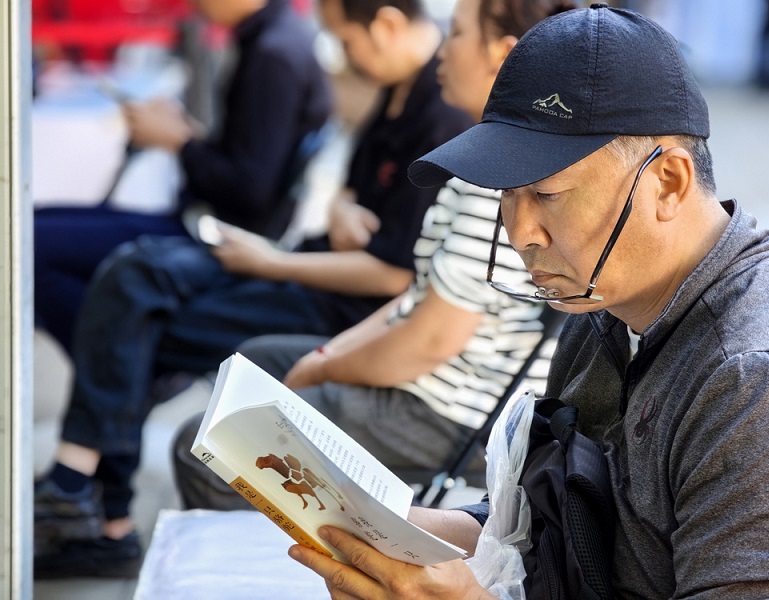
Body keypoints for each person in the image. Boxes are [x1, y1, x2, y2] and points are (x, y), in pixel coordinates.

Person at [286, 5, 769, 598]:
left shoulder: (758, 380)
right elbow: (550, 526)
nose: (521, 232)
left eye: (548, 194)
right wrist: (392, 531)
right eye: (507, 194)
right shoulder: (602, 306)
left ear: (668, 183)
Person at [32, 0, 473, 580]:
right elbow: (356, 201)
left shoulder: (435, 113)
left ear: (387, 26)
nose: (341, 59)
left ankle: (89, 500)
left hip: (324, 294)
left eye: (345, 42)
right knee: (127, 287)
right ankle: (92, 504)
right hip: (301, 263)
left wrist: (273, 261)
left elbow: (393, 272)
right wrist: (339, 210)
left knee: (130, 296)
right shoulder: (397, 90)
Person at [171, 0, 574, 512]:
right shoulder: (482, 154)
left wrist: (324, 368)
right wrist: (325, 359)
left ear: (502, 54)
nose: (440, 48)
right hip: (429, 382)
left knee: (203, 449)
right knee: (256, 362)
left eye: (455, 34)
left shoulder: (502, 175)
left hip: (447, 412)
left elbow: (430, 340)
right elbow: (418, 294)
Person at [33, 0, 333, 353]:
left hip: (216, 238)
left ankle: (125, 363)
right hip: (207, 223)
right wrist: (183, 133)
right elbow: (248, 159)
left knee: (31, 245)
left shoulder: (274, 54)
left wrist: (179, 141)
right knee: (31, 226)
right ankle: (120, 356)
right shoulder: (275, 38)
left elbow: (249, 189)